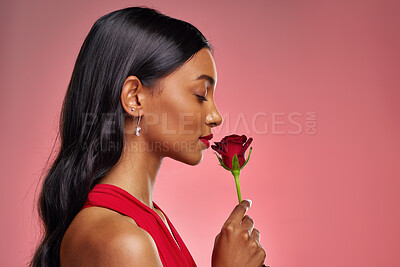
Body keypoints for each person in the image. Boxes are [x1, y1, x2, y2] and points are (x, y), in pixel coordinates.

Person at [30, 6, 266, 267]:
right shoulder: (120, 239)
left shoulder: (153, 219)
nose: (215, 116)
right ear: (134, 97)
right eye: (200, 94)